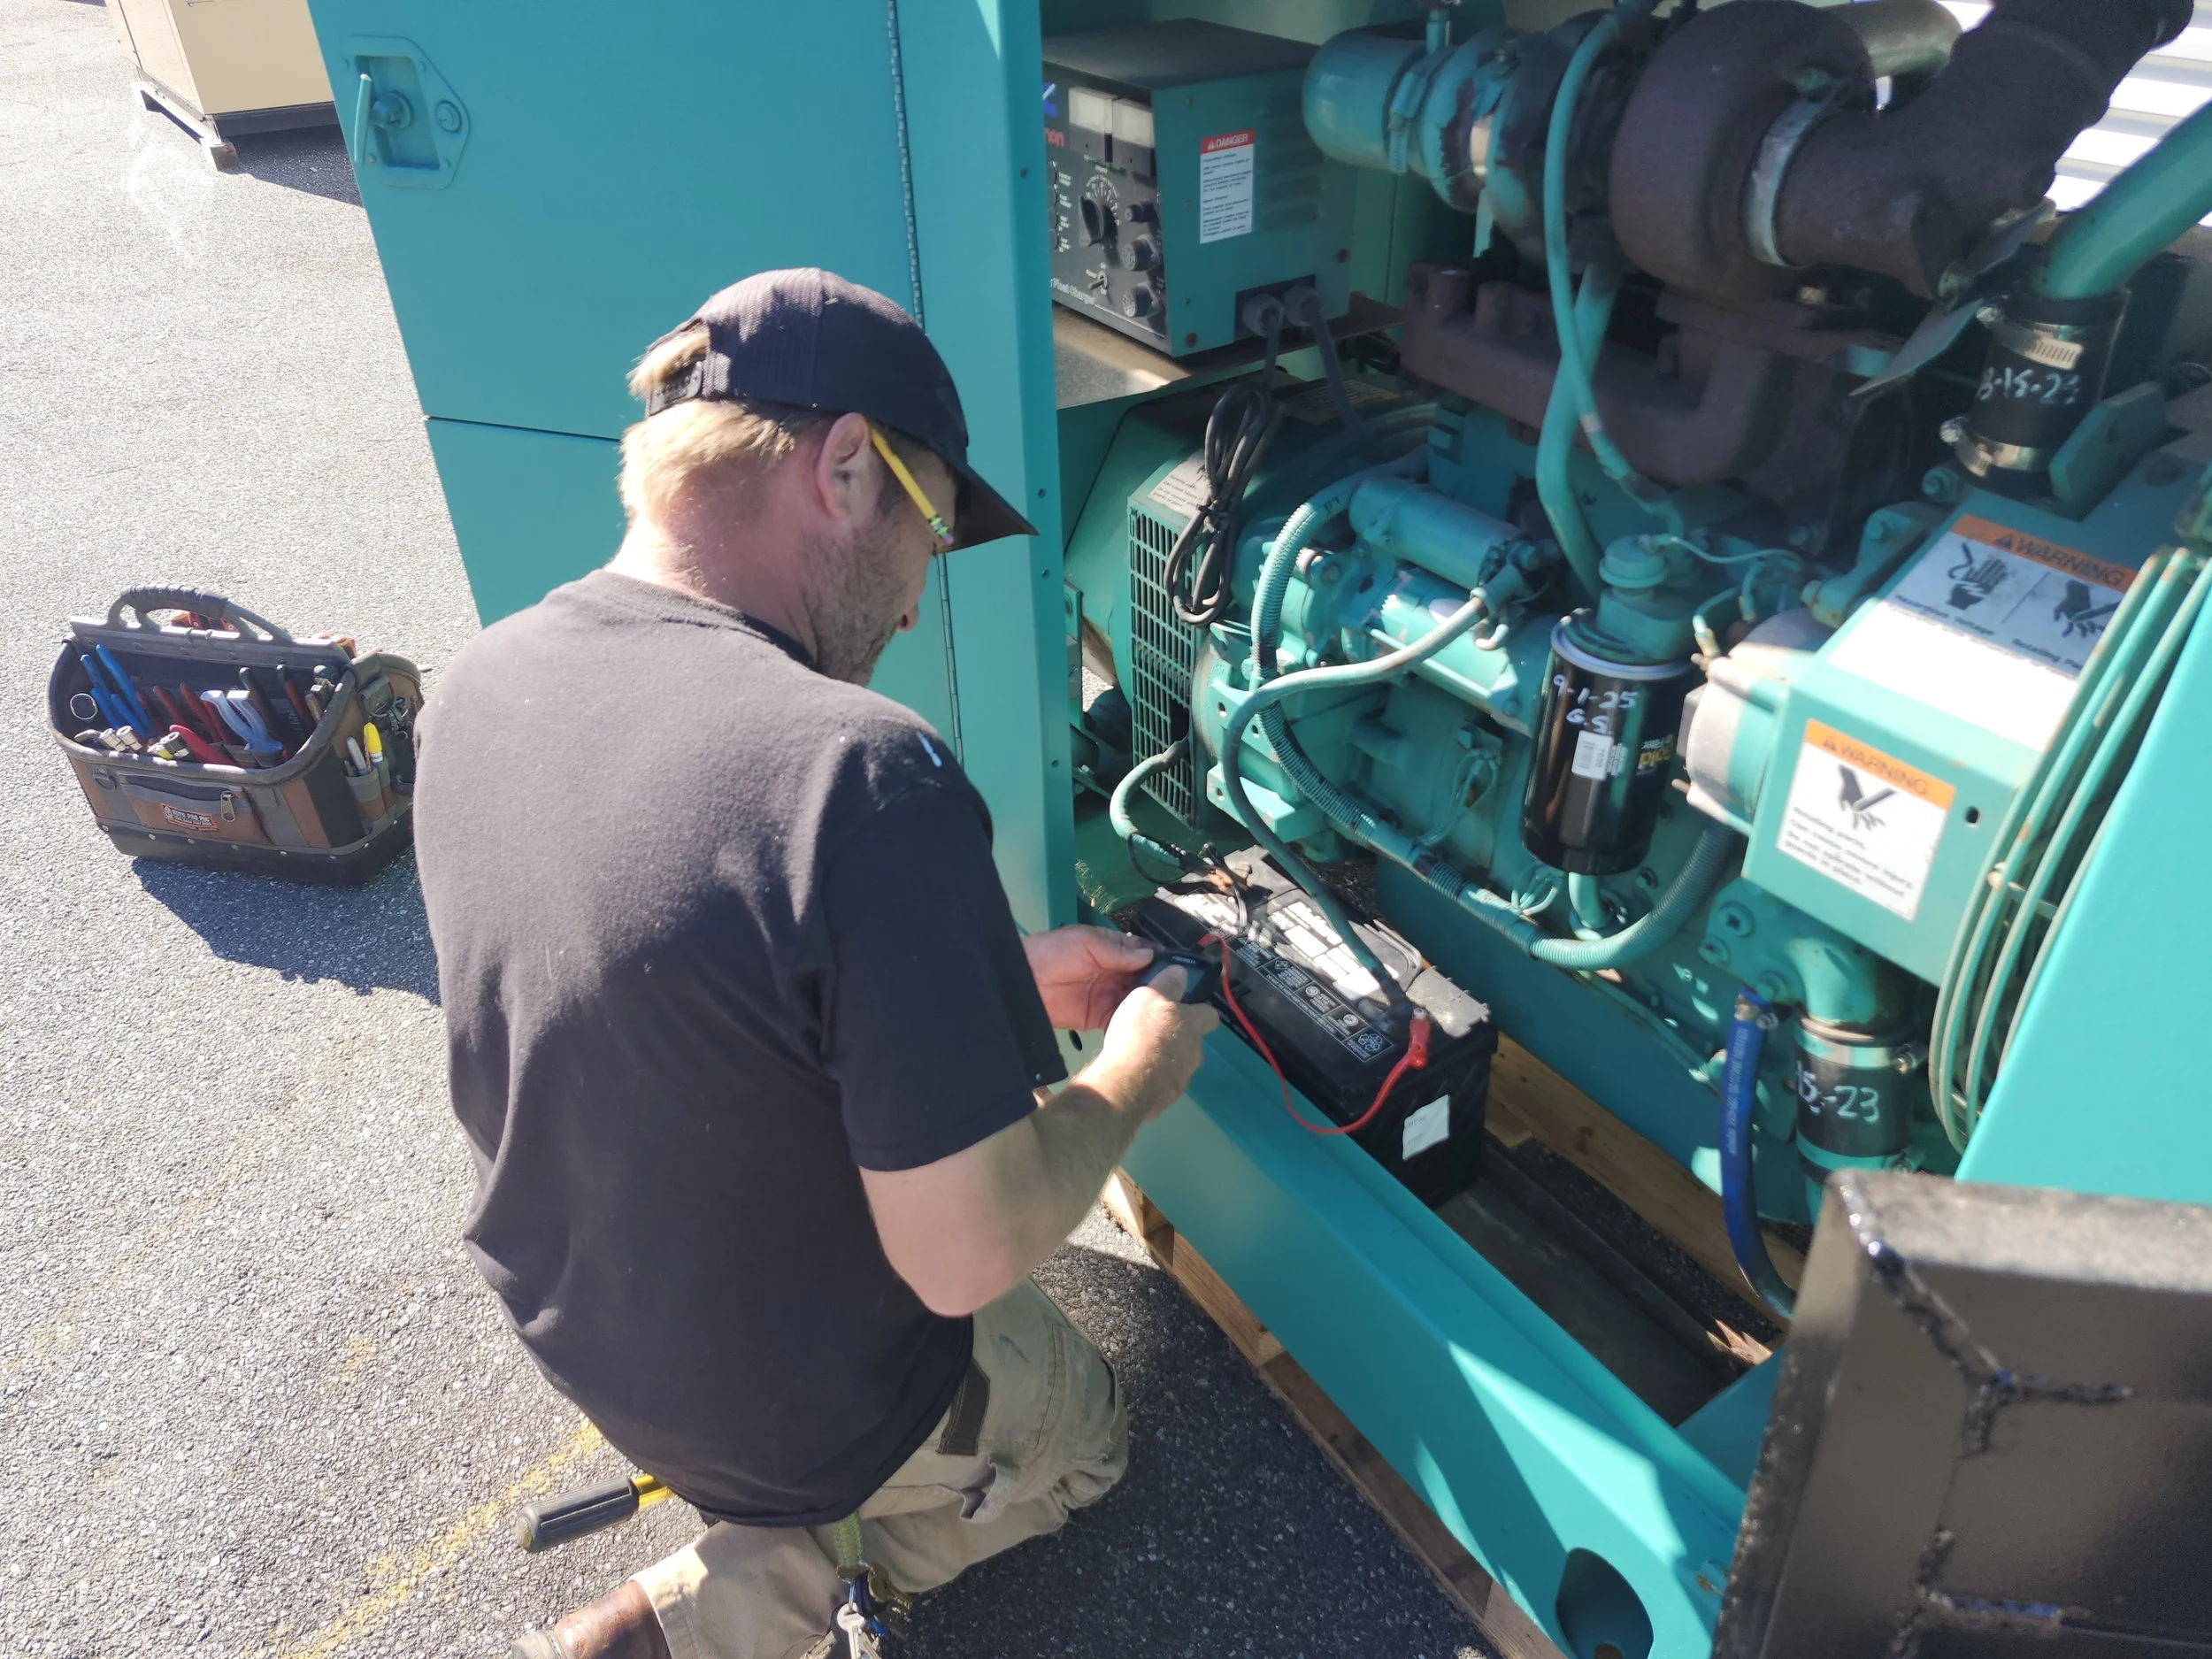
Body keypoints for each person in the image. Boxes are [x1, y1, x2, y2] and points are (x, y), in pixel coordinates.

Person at [412, 268, 1217, 1659]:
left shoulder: (485, 681)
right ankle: (743, 1602)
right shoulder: (858, 772)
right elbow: (967, 1255)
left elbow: (681, 979)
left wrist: (980, 981)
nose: (914, 606)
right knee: (1086, 1431)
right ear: (846, 466)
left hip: (585, 1328)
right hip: (790, 1403)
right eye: (932, 532)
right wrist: (1133, 1079)